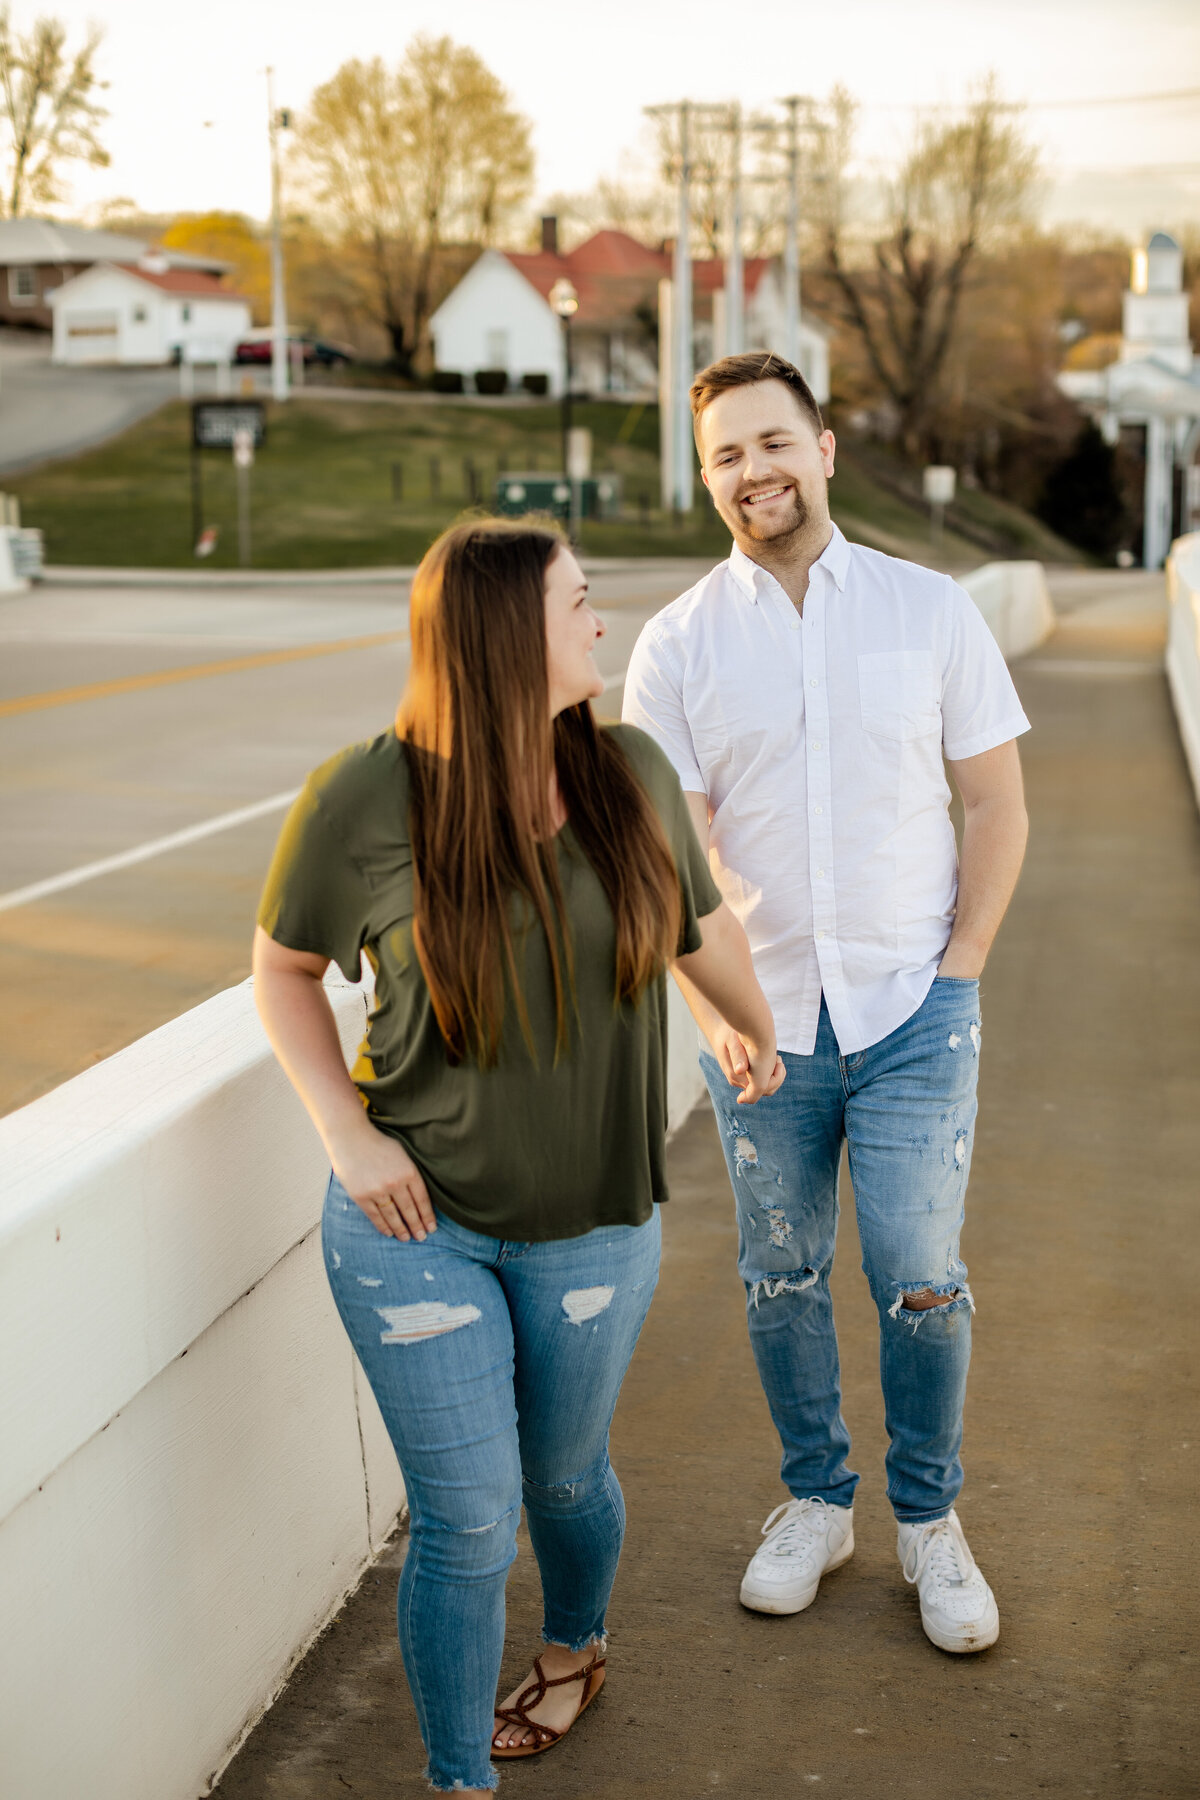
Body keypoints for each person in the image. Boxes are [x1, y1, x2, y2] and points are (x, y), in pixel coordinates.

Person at [253, 516, 783, 1796]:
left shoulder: (631, 773)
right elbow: (283, 973)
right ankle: (456, 1780)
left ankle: (574, 1647)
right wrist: (346, 1129)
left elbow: (696, 933)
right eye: (578, 603)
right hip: (409, 1227)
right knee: (470, 1518)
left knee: (563, 1475)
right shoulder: (359, 795)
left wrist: (747, 1025)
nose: (600, 621)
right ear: (503, 639)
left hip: (597, 1221)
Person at [623, 352, 1030, 1655]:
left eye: (772, 443)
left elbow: (998, 803)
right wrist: (716, 1009)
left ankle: (928, 1518)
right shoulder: (679, 645)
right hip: (763, 1026)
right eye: (726, 455)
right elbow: (670, 859)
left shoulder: (929, 611)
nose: (754, 473)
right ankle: (816, 1501)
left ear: (826, 448)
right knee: (781, 1276)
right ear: (708, 479)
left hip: (917, 1007)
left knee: (918, 1272)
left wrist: (962, 961)